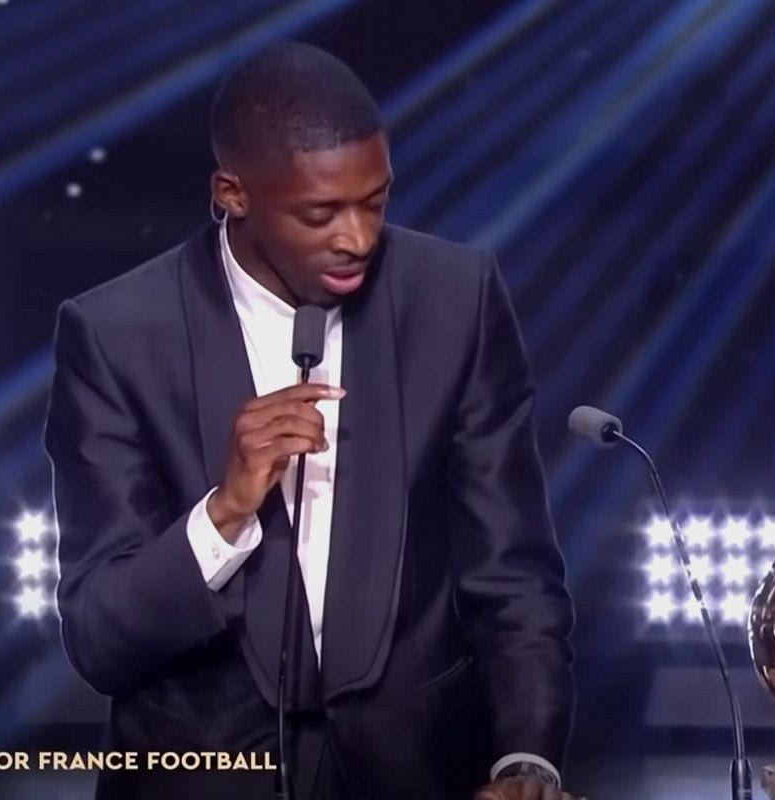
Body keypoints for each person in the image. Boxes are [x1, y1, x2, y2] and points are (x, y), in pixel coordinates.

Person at [43, 41, 579, 800]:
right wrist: (225, 513)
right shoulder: (118, 334)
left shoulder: (454, 299)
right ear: (232, 193)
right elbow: (100, 638)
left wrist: (527, 757)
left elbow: (512, 571)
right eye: (319, 213)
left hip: (418, 772)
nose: (357, 238)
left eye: (376, 201)